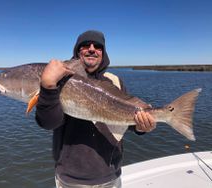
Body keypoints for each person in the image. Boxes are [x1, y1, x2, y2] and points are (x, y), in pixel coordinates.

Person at [35, 30, 156, 188]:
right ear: (78, 52)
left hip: (110, 174)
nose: (91, 49)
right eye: (85, 45)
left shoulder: (114, 81)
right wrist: (48, 87)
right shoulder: (57, 79)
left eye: (97, 46)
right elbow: (49, 123)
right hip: (71, 179)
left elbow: (126, 120)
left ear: (103, 53)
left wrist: (142, 127)